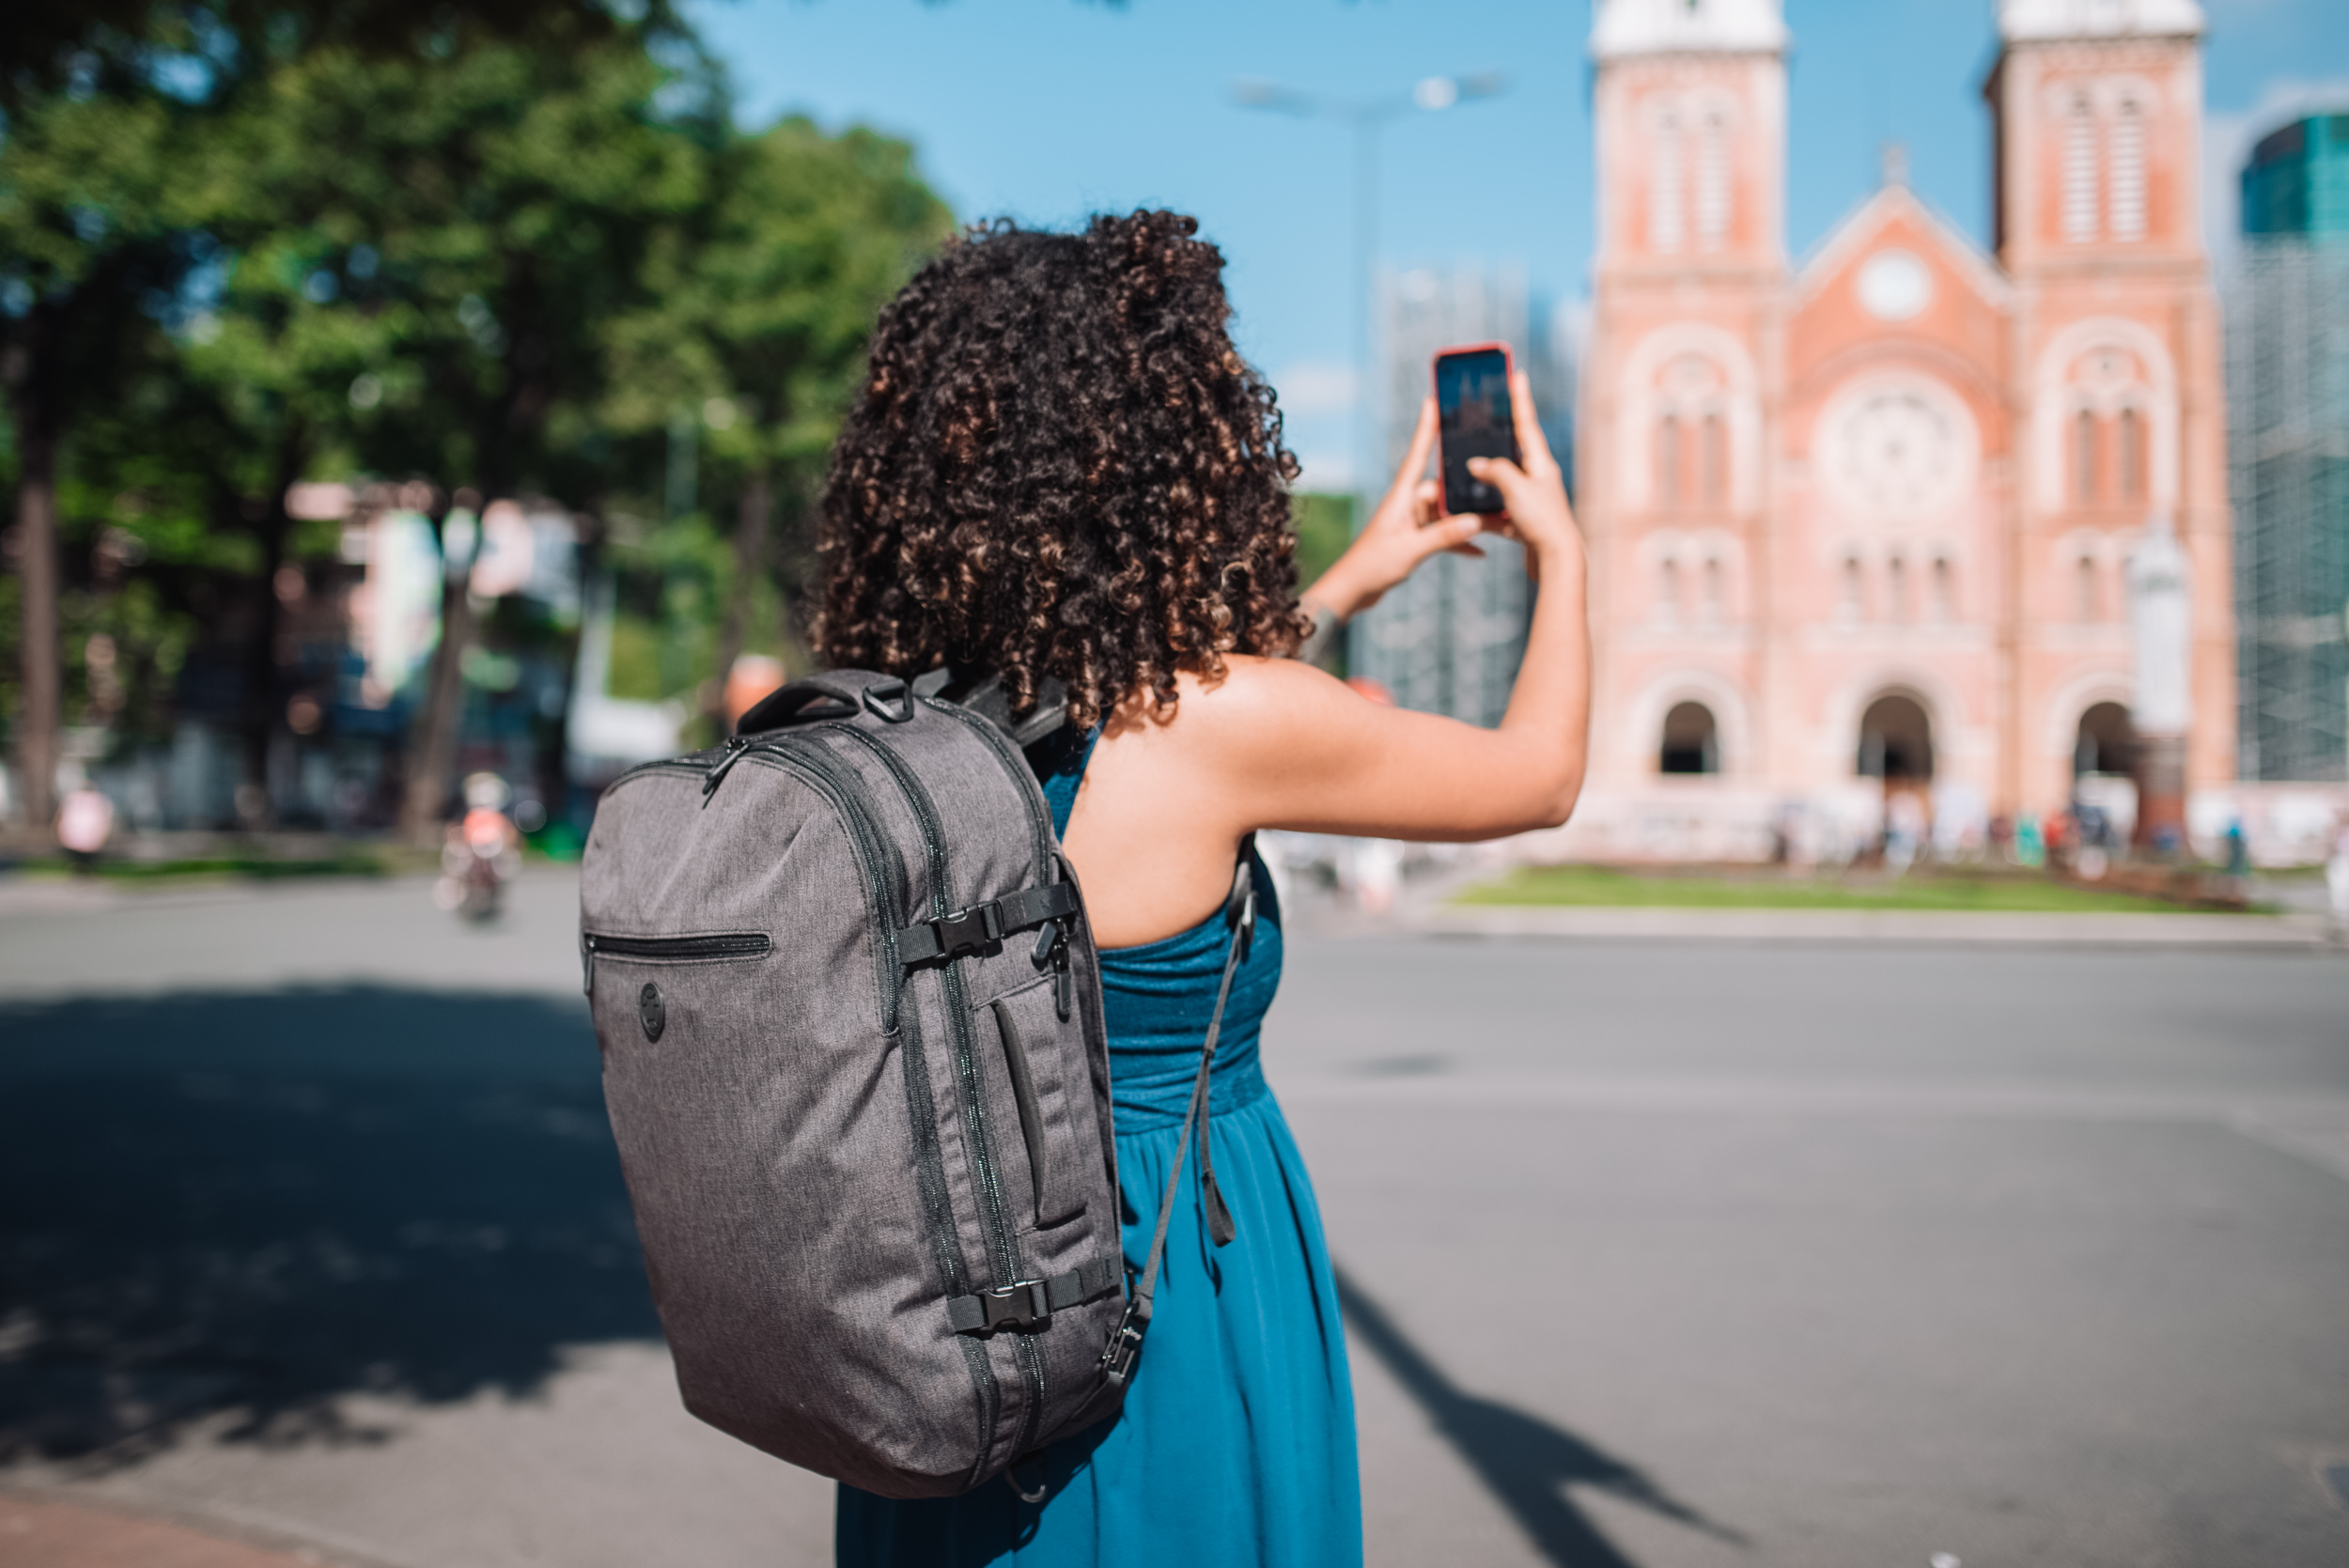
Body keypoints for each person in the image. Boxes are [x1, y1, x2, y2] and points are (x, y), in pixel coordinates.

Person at [817, 211, 1589, 1568]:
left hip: (943, 1290)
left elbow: (1133, 713)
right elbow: (1536, 775)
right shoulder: (1212, 724)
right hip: (1160, 1269)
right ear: (1179, 450)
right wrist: (1564, 555)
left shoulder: (897, 718)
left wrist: (1348, 582)